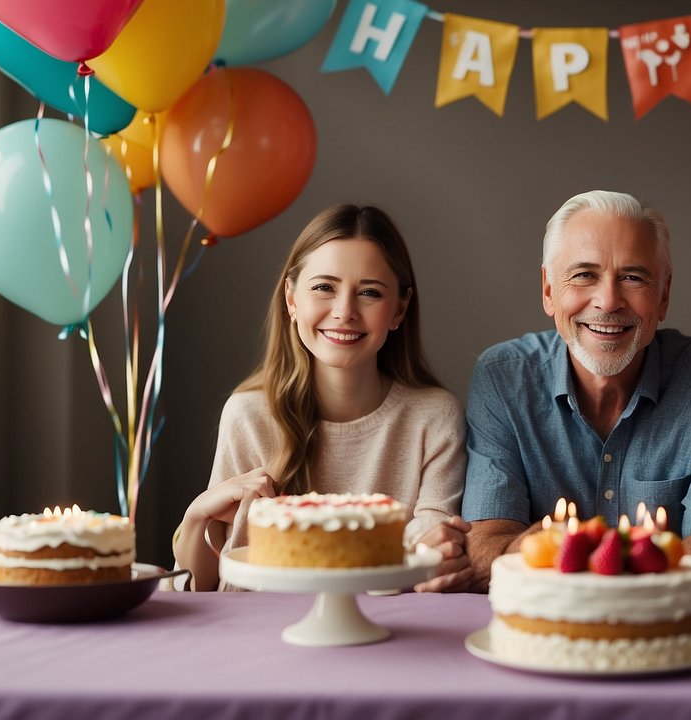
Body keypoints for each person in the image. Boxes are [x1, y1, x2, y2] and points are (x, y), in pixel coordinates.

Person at [462, 189, 691, 594]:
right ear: (549, 290)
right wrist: (640, 563)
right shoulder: (503, 380)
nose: (608, 301)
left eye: (633, 277)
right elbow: (484, 555)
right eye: (584, 275)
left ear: (664, 296)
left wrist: (554, 554)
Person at [173, 204, 471, 592]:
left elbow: (431, 548)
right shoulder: (248, 415)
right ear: (291, 299)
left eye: (369, 293)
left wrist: (436, 547)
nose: (344, 311)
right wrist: (197, 516)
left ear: (399, 309)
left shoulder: (434, 418)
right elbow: (207, 587)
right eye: (323, 287)